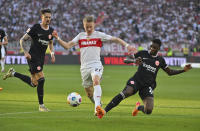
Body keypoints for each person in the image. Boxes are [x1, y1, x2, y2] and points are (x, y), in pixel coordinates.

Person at [52, 15, 136, 114]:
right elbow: (67, 46)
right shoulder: (80, 36)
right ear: (83, 25)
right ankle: (98, 103)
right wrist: (57, 37)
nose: (88, 29)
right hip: (84, 67)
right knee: (89, 93)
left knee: (96, 80)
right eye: (86, 26)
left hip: (96, 64)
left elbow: (115, 39)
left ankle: (97, 109)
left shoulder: (98, 35)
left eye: (90, 26)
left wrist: (127, 45)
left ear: (94, 25)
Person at [96, 39, 192, 119]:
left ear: (158, 49)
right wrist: (134, 60)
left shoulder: (160, 60)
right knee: (127, 92)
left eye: (154, 47)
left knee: (149, 110)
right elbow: (125, 60)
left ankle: (138, 108)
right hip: (137, 80)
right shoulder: (142, 53)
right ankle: (104, 111)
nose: (151, 48)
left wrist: (183, 70)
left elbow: (170, 72)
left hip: (148, 85)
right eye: (151, 46)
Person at [3, 8, 55, 112]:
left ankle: (13, 73)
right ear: (42, 17)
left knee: (34, 83)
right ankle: (41, 106)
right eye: (46, 17)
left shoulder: (51, 31)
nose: (48, 19)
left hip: (41, 59)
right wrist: (26, 52)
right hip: (32, 57)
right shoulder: (36, 27)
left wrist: (52, 53)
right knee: (42, 79)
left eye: (49, 17)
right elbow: (22, 39)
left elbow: (50, 43)